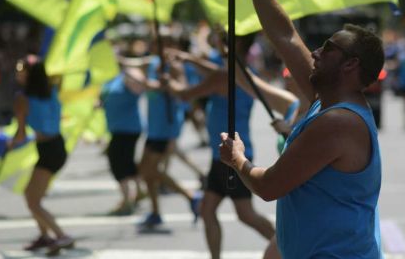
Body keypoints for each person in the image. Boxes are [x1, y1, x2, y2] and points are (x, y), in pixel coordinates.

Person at [220, 0, 383, 258]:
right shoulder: (324, 101)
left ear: (350, 65)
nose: (316, 52)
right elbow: (284, 34)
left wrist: (238, 160)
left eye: (328, 47)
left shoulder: (339, 121)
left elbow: (269, 186)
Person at [167, 34, 275, 259]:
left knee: (245, 214)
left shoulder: (223, 77)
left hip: (232, 155)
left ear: (233, 46)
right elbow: (213, 71)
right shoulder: (245, 74)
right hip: (227, 154)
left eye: (224, 40)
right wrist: (190, 59)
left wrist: (170, 79)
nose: (218, 42)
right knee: (208, 210)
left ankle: (287, 245)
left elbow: (185, 95)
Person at [11, 56, 74, 253]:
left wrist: (8, 144)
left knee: (33, 201)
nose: (18, 74)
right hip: (57, 146)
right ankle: (45, 236)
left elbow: (20, 135)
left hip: (48, 150)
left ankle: (61, 236)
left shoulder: (22, 98)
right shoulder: (52, 90)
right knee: (32, 195)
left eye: (21, 70)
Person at [136, 38, 201, 230]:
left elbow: (184, 90)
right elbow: (133, 63)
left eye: (162, 43)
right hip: (154, 126)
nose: (157, 46)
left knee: (152, 170)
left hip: (166, 126)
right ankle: (156, 212)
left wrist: (167, 83)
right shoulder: (153, 62)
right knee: (145, 170)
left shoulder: (174, 66)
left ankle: (190, 196)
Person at [99, 67, 147, 216]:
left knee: (118, 165)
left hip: (127, 129)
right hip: (118, 129)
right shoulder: (110, 80)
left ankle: (127, 201)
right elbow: (104, 98)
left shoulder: (127, 76)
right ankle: (138, 191)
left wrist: (127, 67)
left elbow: (141, 83)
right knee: (127, 163)